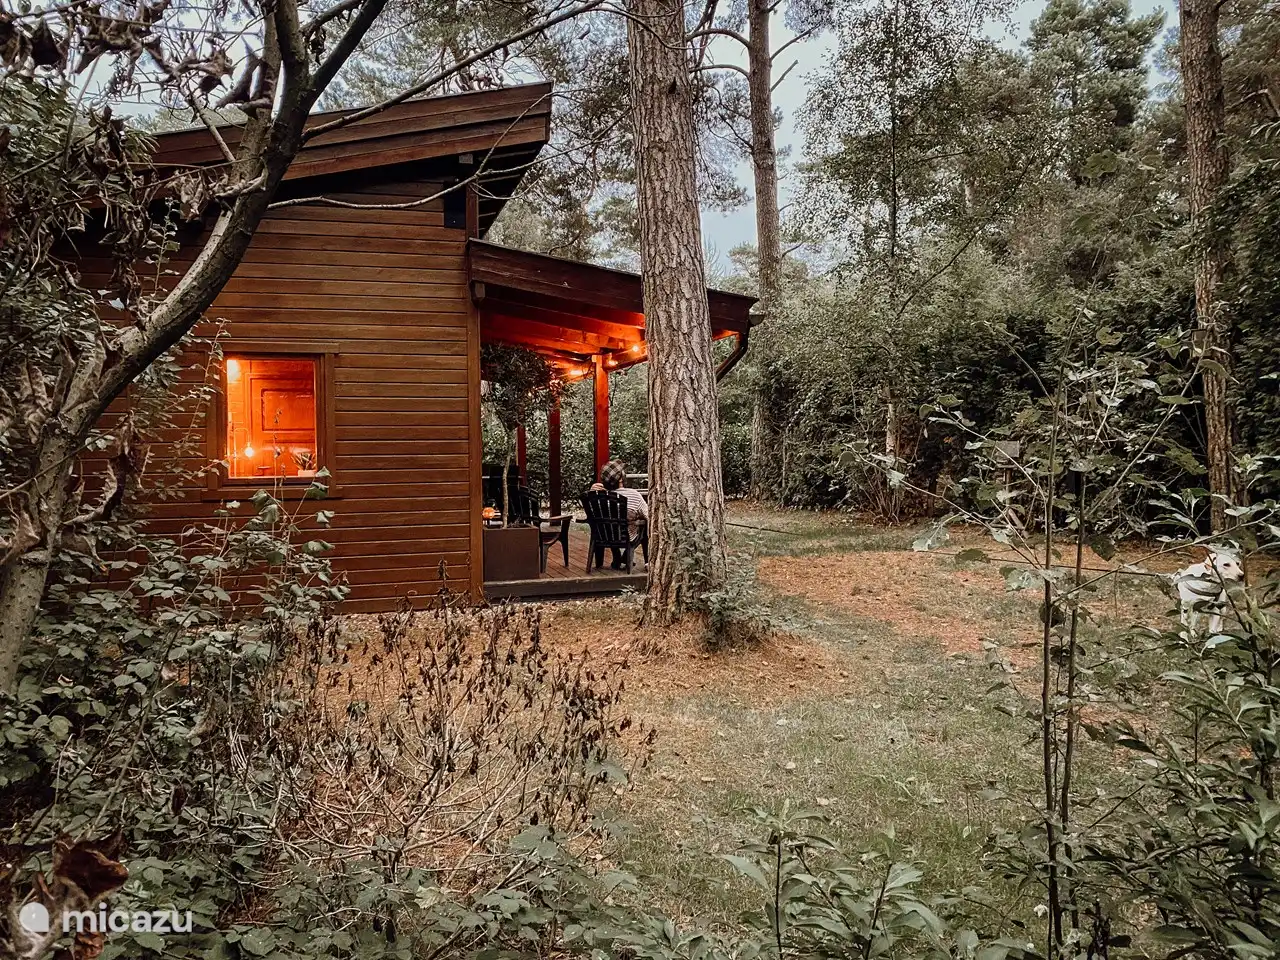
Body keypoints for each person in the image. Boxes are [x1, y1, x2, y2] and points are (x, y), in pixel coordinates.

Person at [590, 460, 648, 568]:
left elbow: (591, 515)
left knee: (610, 524)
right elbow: (648, 516)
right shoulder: (633, 495)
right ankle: (633, 557)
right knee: (644, 529)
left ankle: (616, 557)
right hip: (627, 536)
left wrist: (591, 492)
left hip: (603, 536)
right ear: (621, 478)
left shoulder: (596, 496)